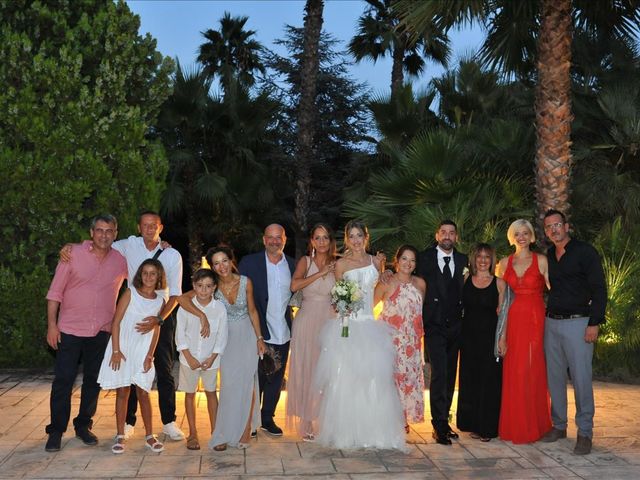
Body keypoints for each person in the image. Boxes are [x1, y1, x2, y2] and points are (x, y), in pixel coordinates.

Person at [60, 210, 187, 441]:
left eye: (154, 226)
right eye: (145, 225)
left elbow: (176, 294)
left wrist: (159, 319)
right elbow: (101, 242)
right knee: (130, 371)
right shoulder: (128, 245)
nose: (149, 229)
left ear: (161, 228)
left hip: (160, 315)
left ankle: (168, 421)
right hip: (132, 316)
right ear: (138, 228)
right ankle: (129, 421)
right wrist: (73, 246)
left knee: (164, 370)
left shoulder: (172, 255)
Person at [314, 220, 406, 450]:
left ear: (366, 237)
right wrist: (342, 304)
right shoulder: (341, 264)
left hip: (369, 325)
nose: (356, 240)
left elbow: (378, 289)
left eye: (359, 236)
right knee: (346, 379)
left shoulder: (376, 261)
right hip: (347, 326)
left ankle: (374, 433)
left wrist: (385, 273)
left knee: (375, 380)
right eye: (351, 236)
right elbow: (337, 295)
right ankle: (347, 433)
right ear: (347, 239)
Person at [45, 214, 127, 452]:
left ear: (115, 233)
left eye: (109, 231)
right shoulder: (72, 254)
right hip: (69, 329)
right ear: (92, 233)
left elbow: (141, 278)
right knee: (63, 380)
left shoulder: (120, 261)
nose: (104, 235)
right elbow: (54, 293)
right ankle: (56, 431)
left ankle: (83, 426)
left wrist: (163, 245)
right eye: (99, 230)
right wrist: (52, 325)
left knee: (93, 381)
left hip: (102, 331)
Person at [177, 246, 266, 451]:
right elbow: (181, 300)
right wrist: (201, 316)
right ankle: (225, 430)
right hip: (224, 339)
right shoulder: (211, 285)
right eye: (216, 263)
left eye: (224, 260)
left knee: (248, 383)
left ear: (231, 260)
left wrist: (259, 337)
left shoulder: (245, 282)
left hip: (246, 334)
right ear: (212, 266)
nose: (221, 266)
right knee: (228, 386)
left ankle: (245, 431)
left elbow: (252, 311)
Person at [541, 209, 607, 455]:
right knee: (555, 377)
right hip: (552, 323)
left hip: (579, 323)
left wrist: (594, 322)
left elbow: (599, 289)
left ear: (567, 226)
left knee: (580, 378)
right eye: (549, 227)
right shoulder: (549, 255)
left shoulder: (585, 252)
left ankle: (585, 432)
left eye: (557, 224)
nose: (554, 229)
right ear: (546, 232)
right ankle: (559, 425)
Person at [97, 259, 167, 454]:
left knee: (144, 392)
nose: (149, 277)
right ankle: (120, 435)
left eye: (153, 273)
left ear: (159, 276)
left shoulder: (160, 300)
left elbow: (156, 330)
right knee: (123, 391)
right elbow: (116, 322)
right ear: (140, 275)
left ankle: (150, 436)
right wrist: (116, 351)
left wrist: (150, 355)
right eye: (145, 272)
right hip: (124, 347)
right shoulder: (130, 293)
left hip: (143, 349)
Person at [496, 219, 552, 444]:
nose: (521, 237)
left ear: (531, 236)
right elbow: (500, 298)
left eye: (525, 233)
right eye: (517, 233)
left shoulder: (541, 260)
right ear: (511, 237)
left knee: (532, 370)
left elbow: (555, 289)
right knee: (513, 370)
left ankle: (534, 424)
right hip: (511, 320)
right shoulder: (502, 262)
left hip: (535, 319)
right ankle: (514, 424)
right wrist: (500, 332)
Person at [238, 224, 295, 436]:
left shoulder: (292, 264)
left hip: (283, 329)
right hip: (258, 329)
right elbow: (240, 295)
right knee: (257, 375)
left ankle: (267, 417)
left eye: (278, 237)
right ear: (264, 240)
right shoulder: (249, 262)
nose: (274, 241)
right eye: (270, 238)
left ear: (284, 239)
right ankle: (251, 419)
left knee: (276, 377)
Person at [416, 220, 468, 445]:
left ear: (456, 237)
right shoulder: (423, 257)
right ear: (437, 235)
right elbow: (407, 275)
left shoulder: (463, 260)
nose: (447, 236)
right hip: (434, 325)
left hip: (456, 325)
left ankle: (444, 421)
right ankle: (438, 426)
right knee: (439, 373)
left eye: (452, 233)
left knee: (450, 374)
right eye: (443, 232)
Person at [286, 223, 337, 441]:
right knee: (307, 368)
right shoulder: (305, 262)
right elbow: (294, 286)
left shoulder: (337, 264)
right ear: (312, 242)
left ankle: (326, 420)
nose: (322, 241)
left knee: (327, 370)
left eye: (325, 237)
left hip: (330, 319)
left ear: (330, 241)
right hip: (307, 320)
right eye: (318, 238)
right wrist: (320, 274)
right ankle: (306, 420)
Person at [456, 243, 506, 441]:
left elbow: (504, 315)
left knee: (489, 382)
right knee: (470, 381)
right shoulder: (466, 279)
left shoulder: (500, 284)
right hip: (468, 338)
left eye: (487, 257)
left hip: (489, 338)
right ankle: (471, 424)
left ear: (492, 260)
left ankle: (488, 428)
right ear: (474, 259)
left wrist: (503, 338)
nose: (483, 260)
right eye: (479, 256)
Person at [175, 268, 228, 451]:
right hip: (188, 360)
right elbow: (179, 333)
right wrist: (188, 356)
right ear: (194, 286)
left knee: (211, 393)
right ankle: (192, 433)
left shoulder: (219, 308)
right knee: (190, 394)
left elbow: (222, 334)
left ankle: (216, 432)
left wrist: (213, 356)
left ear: (214, 287)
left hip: (211, 360)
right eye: (199, 286)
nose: (203, 290)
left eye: (208, 286)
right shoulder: (186, 306)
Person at [375, 245, 426, 433]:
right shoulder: (386, 282)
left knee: (408, 380)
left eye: (412, 260)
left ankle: (404, 419)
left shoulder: (420, 284)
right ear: (397, 260)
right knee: (391, 380)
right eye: (404, 259)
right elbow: (369, 307)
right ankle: (390, 418)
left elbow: (419, 313)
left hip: (412, 342)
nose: (408, 263)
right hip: (391, 341)